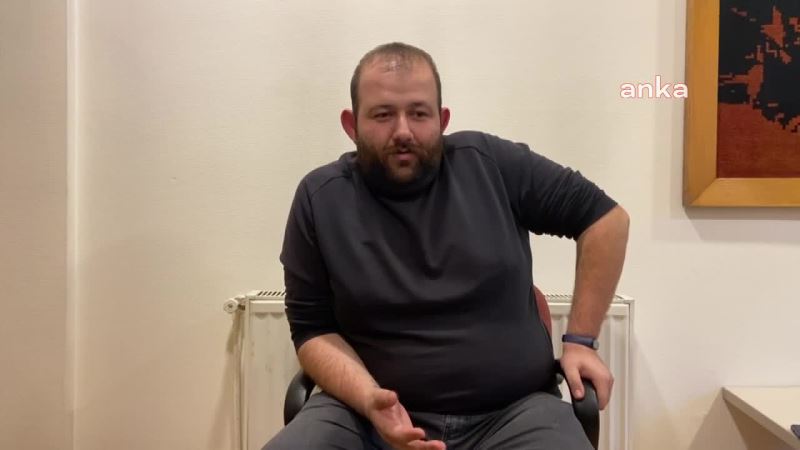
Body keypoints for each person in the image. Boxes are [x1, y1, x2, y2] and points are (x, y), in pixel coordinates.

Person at [265, 42, 629, 450]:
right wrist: (370, 400)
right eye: (383, 115)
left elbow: (606, 221)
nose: (403, 131)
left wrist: (580, 342)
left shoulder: (491, 165)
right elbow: (313, 331)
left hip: (515, 413)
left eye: (419, 113)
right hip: (363, 416)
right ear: (352, 125)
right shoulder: (320, 197)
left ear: (442, 120)